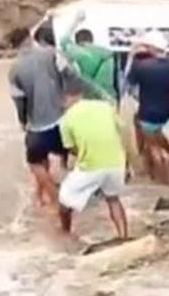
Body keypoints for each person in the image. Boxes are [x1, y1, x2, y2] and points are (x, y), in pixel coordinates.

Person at [57, 76, 130, 239]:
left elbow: (71, 149)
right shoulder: (105, 107)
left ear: (65, 98)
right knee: (113, 200)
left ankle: (65, 234)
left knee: (64, 200)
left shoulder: (66, 120)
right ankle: (124, 236)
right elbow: (121, 131)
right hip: (117, 162)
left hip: (91, 166)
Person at [9, 19, 69, 208]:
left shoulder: (14, 70)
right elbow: (70, 76)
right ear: (30, 38)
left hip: (38, 126)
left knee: (36, 163)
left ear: (14, 47)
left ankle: (56, 202)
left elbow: (19, 100)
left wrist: (22, 121)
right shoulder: (51, 54)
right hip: (62, 121)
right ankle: (49, 192)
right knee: (66, 155)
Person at [125, 31, 169, 185]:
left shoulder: (141, 66)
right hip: (166, 109)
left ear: (150, 47)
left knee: (153, 146)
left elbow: (128, 82)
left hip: (148, 112)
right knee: (157, 134)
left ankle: (164, 178)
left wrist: (131, 54)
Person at [60, 11, 116, 102]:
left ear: (77, 41)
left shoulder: (78, 52)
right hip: (107, 98)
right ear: (92, 39)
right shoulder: (108, 54)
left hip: (86, 98)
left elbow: (63, 41)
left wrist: (76, 21)